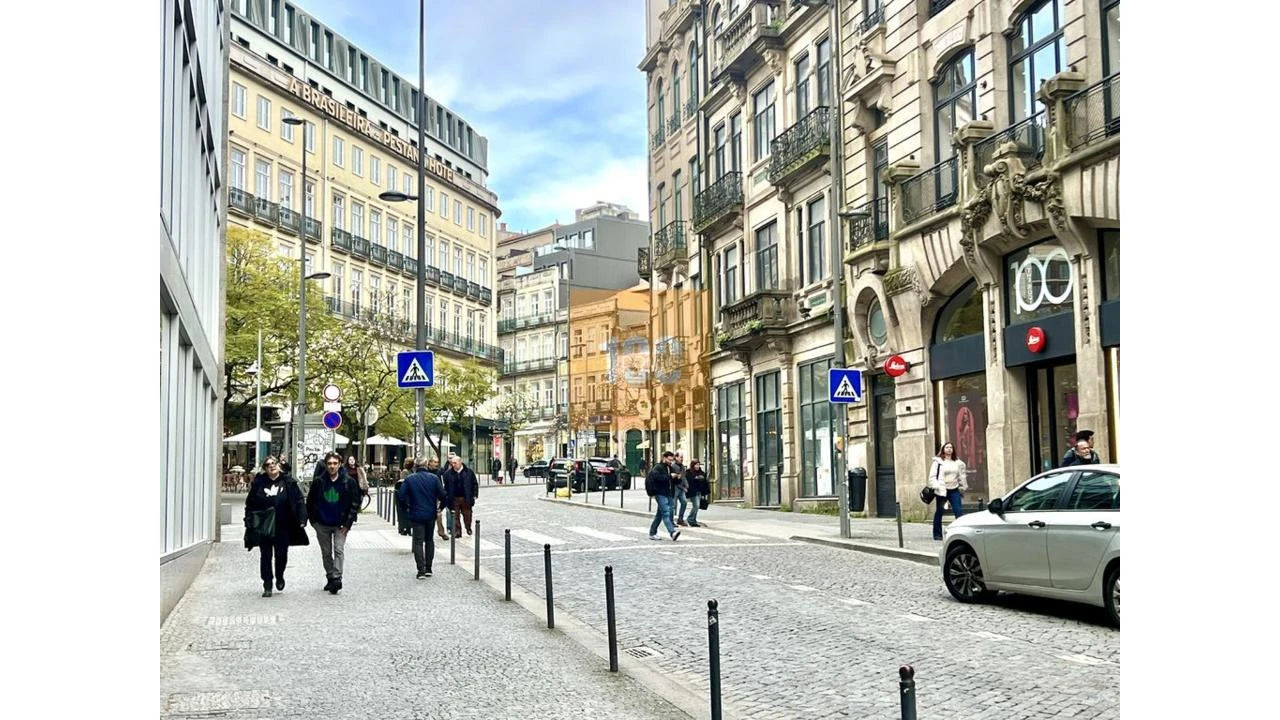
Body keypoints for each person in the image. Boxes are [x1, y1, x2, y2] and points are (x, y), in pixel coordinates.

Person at [244, 456, 308, 597]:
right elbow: (250, 504)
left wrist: (302, 518)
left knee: (281, 555)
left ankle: (280, 575)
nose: (271, 466)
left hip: (283, 524)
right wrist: (249, 521)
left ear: (279, 465)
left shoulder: (288, 482)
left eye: (274, 463)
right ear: (265, 469)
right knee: (265, 556)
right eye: (268, 465)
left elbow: (299, 500)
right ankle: (267, 583)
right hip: (264, 525)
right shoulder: (259, 483)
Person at [306, 451, 361, 594]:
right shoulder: (319, 481)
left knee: (338, 550)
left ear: (340, 464)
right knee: (326, 552)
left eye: (335, 463)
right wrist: (313, 521)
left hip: (340, 524)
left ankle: (337, 577)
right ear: (325, 465)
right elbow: (310, 501)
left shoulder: (348, 481)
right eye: (329, 463)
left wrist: (348, 523)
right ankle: (330, 576)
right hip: (322, 523)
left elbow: (355, 503)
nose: (332, 466)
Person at [397, 457, 449, 579]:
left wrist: (406, 507)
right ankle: (428, 568)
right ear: (426, 465)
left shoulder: (410, 479)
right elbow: (443, 495)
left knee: (418, 542)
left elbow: (401, 496)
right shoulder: (434, 478)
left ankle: (421, 570)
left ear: (415, 466)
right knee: (429, 540)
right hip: (430, 513)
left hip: (416, 513)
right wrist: (440, 507)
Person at [928, 442, 968, 541]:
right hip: (942, 490)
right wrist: (937, 486)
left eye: (951, 447)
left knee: (958, 511)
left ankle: (961, 533)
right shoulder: (938, 462)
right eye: (947, 447)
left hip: (954, 490)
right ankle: (937, 534)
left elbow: (961, 476)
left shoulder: (957, 462)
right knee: (940, 512)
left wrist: (963, 486)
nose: (949, 449)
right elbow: (932, 477)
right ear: (943, 449)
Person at [645, 451, 681, 542]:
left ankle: (652, 533)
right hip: (659, 493)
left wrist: (677, 478)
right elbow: (657, 478)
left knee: (660, 514)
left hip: (668, 493)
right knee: (666, 512)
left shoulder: (670, 468)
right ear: (664, 458)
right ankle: (672, 532)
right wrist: (670, 476)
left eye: (672, 460)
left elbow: (673, 481)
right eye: (669, 460)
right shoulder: (658, 467)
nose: (670, 462)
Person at [443, 455, 479, 537]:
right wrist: (447, 496)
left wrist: (474, 494)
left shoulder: (469, 472)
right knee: (455, 516)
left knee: (467, 515)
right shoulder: (448, 474)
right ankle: (458, 531)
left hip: (466, 497)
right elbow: (446, 486)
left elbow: (474, 484)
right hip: (454, 498)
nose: (453, 465)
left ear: (460, 462)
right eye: (452, 463)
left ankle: (468, 527)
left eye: (455, 463)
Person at [426, 457, 450, 540]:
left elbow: (446, 472)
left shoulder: (439, 471)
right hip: (427, 495)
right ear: (430, 463)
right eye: (435, 462)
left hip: (436, 496)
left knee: (438, 514)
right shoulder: (426, 471)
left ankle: (441, 532)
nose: (436, 464)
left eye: (437, 462)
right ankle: (427, 532)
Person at [684, 459, 709, 528]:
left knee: (697, 506)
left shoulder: (701, 472)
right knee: (696, 505)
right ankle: (690, 519)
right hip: (692, 492)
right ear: (693, 465)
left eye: (698, 465)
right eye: (696, 465)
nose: (697, 466)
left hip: (699, 491)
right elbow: (688, 480)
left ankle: (693, 520)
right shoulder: (688, 472)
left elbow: (704, 482)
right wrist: (696, 478)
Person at [672, 452, 690, 526]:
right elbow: (674, 479)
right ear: (676, 457)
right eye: (680, 457)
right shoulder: (673, 466)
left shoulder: (682, 466)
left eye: (682, 457)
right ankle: (671, 521)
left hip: (681, 488)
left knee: (684, 502)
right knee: (673, 505)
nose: (682, 459)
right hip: (675, 487)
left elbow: (683, 477)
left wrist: (686, 484)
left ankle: (680, 519)